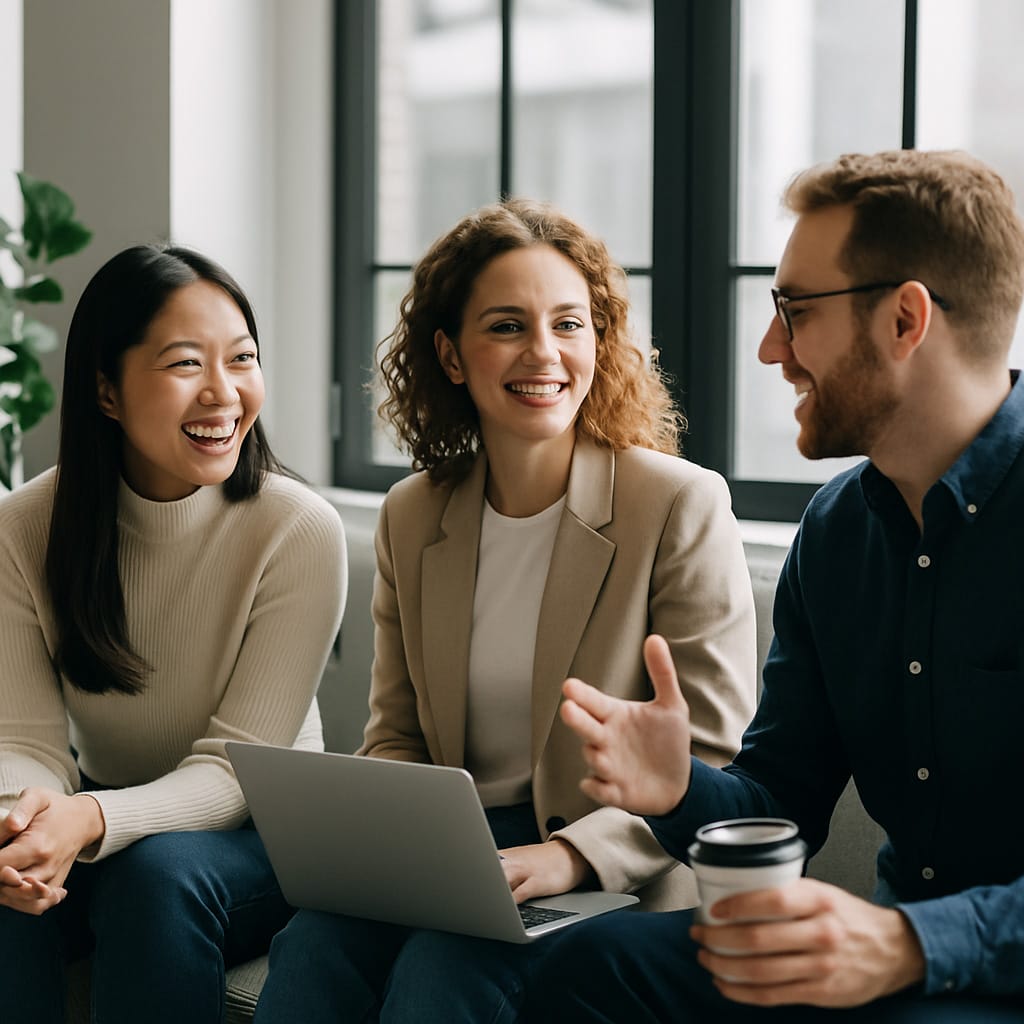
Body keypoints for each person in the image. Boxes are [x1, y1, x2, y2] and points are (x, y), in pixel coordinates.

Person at [521, 148, 1024, 1023]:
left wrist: (909, 944)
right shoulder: (835, 533)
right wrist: (678, 787)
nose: (770, 348)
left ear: (906, 319)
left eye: (795, 311)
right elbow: (780, 799)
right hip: (884, 951)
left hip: (986, 970)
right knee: (588, 964)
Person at [253, 197, 757, 1023]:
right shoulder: (414, 515)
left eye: (569, 324)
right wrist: (370, 846)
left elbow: (710, 758)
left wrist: (566, 855)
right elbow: (397, 735)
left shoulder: (676, 503)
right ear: (451, 355)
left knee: (445, 968)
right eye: (507, 326)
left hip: (614, 865)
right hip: (454, 855)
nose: (544, 353)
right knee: (313, 943)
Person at [0, 244, 347, 1023]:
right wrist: (23, 823)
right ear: (106, 390)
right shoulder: (22, 529)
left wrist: (90, 821)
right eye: (186, 364)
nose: (223, 393)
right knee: (7, 872)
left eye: (243, 359)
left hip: (266, 837)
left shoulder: (297, 531)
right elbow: (24, 740)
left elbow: (236, 771)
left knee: (155, 874)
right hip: (106, 815)